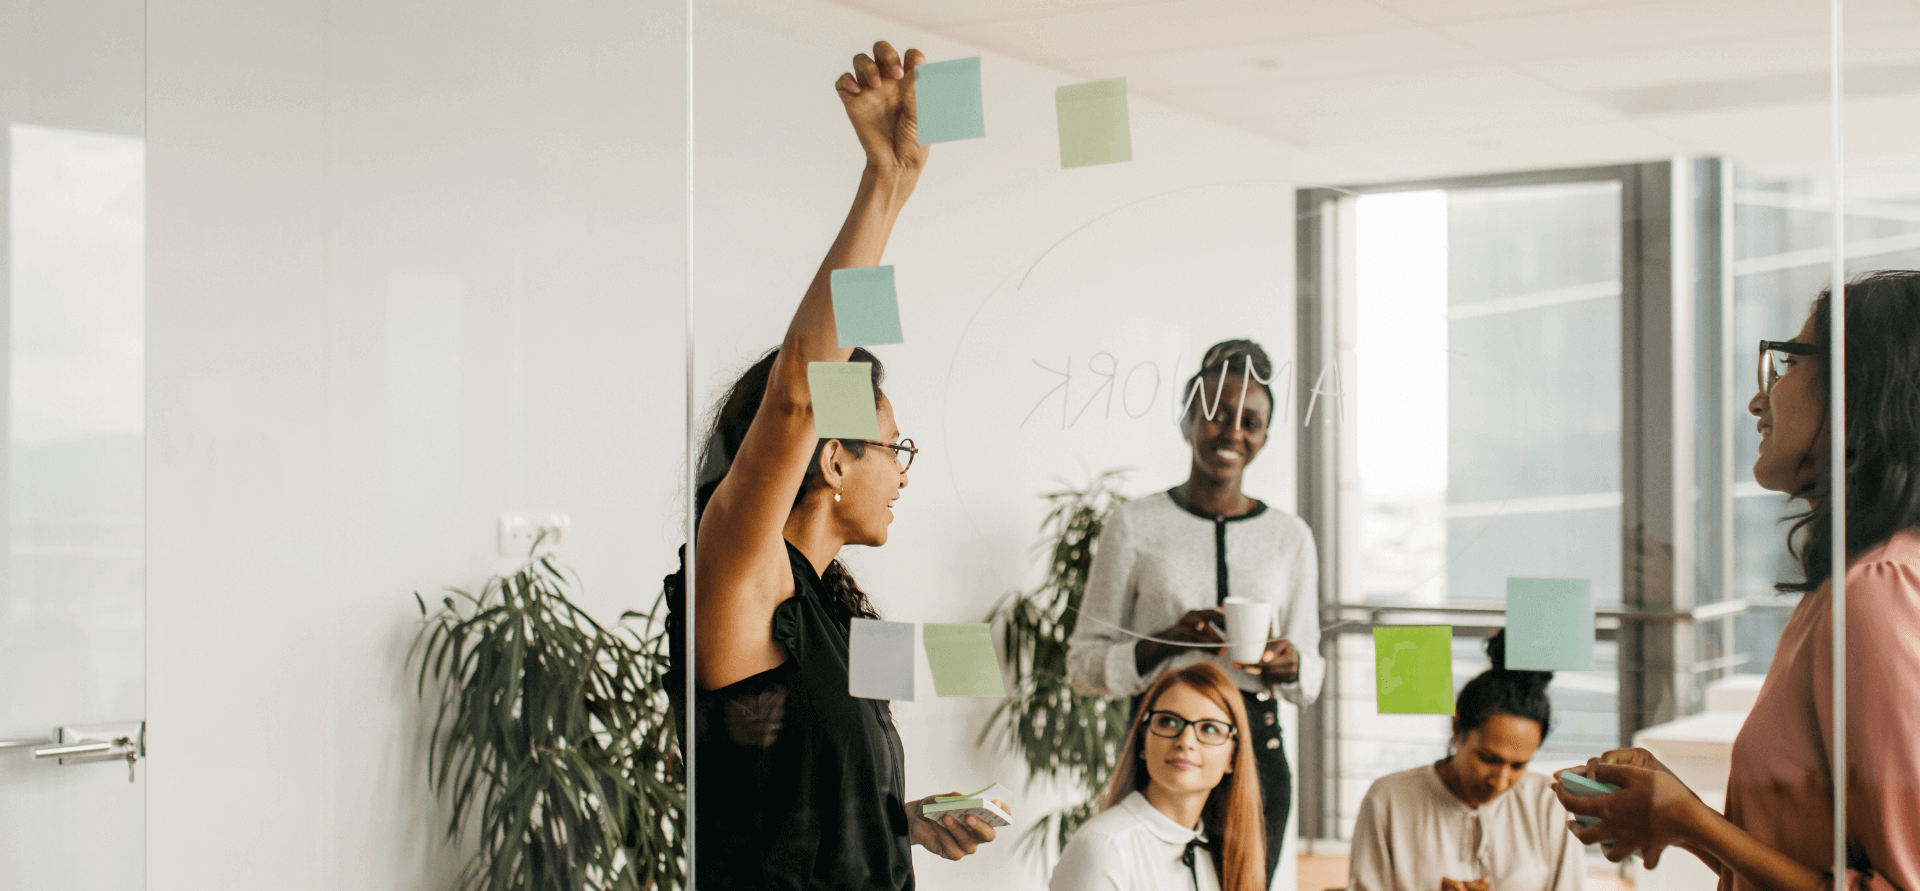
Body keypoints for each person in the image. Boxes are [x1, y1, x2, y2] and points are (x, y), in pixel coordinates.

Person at [661, 40, 1005, 890]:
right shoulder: (740, 573)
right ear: (833, 460)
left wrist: (905, 821)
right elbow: (796, 394)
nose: (905, 471)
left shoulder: (834, 611)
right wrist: (888, 183)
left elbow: (789, 806)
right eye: (893, 447)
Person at [1555, 270, 1920, 891]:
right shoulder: (1848, 585)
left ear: (1859, 386)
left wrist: (1693, 822)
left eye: (1786, 365)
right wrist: (1672, 818)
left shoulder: (1877, 588)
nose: (1759, 400)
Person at [1067, 339, 1324, 878]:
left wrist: (1291, 663)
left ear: (1264, 437)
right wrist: (1165, 639)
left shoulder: (1289, 536)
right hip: (1164, 740)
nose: (1233, 431)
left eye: (1250, 421)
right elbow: (1083, 666)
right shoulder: (1133, 524)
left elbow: (1311, 674)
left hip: (1256, 743)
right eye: (1215, 414)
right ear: (1186, 422)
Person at [1347, 630, 1587, 891]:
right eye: (1489, 759)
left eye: (1518, 765)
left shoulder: (1549, 803)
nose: (1501, 781)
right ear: (1457, 729)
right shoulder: (1387, 800)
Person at [1051, 663, 1268, 891]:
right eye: (1168, 721)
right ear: (1143, 740)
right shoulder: (1104, 847)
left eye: (1210, 729)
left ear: (1233, 757)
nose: (1186, 741)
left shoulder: (1220, 858)